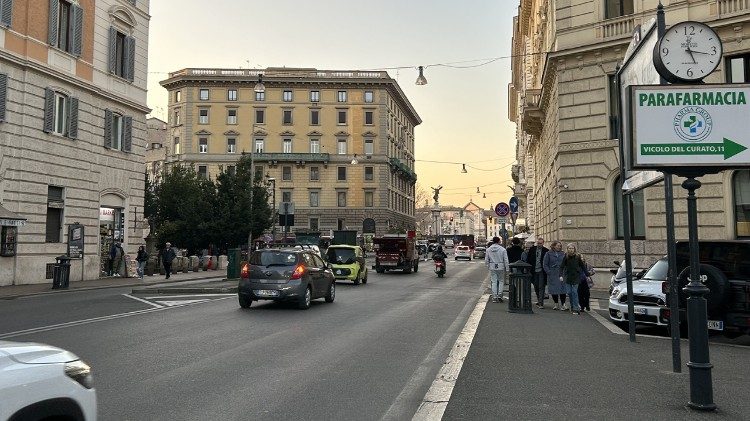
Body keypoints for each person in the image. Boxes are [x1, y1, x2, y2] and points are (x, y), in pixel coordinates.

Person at [561, 243, 586, 315]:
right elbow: (562, 266)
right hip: (568, 277)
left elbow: (583, 266)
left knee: (574, 292)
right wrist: (560, 275)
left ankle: (576, 308)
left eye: (572, 248)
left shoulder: (577, 257)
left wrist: (587, 274)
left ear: (574, 249)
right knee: (569, 292)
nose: (571, 250)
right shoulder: (565, 257)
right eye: (569, 248)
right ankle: (572, 306)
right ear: (567, 249)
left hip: (576, 276)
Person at [525, 236, 548, 308]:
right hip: (533, 270)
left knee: (541, 286)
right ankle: (539, 300)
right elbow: (528, 259)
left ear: (543, 243)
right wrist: (527, 268)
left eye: (540, 243)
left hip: (542, 270)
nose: (539, 244)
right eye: (538, 243)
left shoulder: (546, 251)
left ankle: (541, 303)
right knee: (536, 286)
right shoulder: (532, 249)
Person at [543, 241, 567, 310]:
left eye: (560, 246)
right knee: (554, 289)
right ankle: (556, 304)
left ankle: (563, 304)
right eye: (558, 245)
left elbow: (566, 263)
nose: (559, 247)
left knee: (563, 289)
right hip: (552, 274)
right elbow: (545, 264)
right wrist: (549, 272)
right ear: (553, 246)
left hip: (561, 273)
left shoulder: (563, 254)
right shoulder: (548, 254)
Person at [485, 236, 509, 303]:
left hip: (492, 266)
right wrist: (507, 269)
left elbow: (486, 260)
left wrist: (488, 266)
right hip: (501, 266)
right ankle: (500, 295)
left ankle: (494, 296)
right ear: (499, 241)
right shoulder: (503, 249)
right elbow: (506, 260)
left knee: (494, 281)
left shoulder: (488, 249)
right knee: (501, 281)